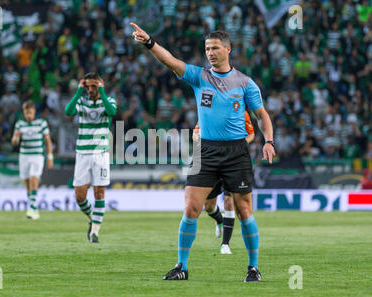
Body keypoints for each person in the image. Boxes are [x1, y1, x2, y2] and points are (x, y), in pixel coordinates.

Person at [131, 24, 275, 282]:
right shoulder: (200, 77)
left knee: (244, 210)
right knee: (191, 208)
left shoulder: (245, 83)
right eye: (207, 48)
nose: (210, 52)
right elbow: (172, 62)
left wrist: (269, 141)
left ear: (228, 49)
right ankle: (181, 267)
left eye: (215, 48)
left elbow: (262, 115)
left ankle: (253, 268)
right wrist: (150, 43)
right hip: (205, 150)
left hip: (236, 151)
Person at [64, 73, 117, 244]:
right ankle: (92, 217)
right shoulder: (81, 101)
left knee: (99, 193)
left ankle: (95, 232)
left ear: (101, 85)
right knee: (80, 196)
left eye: (94, 86)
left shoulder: (108, 100)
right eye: (88, 86)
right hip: (82, 154)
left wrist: (101, 92)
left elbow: (112, 112)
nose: (91, 89)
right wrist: (78, 91)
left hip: (100, 154)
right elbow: (68, 111)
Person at [194, 110, 256, 255]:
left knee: (229, 201)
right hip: (212, 159)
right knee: (208, 206)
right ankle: (219, 220)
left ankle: (225, 244)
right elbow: (195, 134)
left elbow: (251, 134)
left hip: (233, 161)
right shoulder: (207, 111)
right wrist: (204, 141)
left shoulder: (241, 112)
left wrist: (237, 145)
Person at [11, 101, 54, 220]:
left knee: (34, 178)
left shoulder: (41, 123)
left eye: (30, 112)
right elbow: (14, 143)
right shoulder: (20, 124)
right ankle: (34, 208)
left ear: (34, 111)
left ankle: (31, 207)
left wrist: (50, 156)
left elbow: (48, 141)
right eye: (26, 113)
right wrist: (16, 137)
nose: (28, 115)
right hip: (24, 155)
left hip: (37, 155)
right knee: (27, 182)